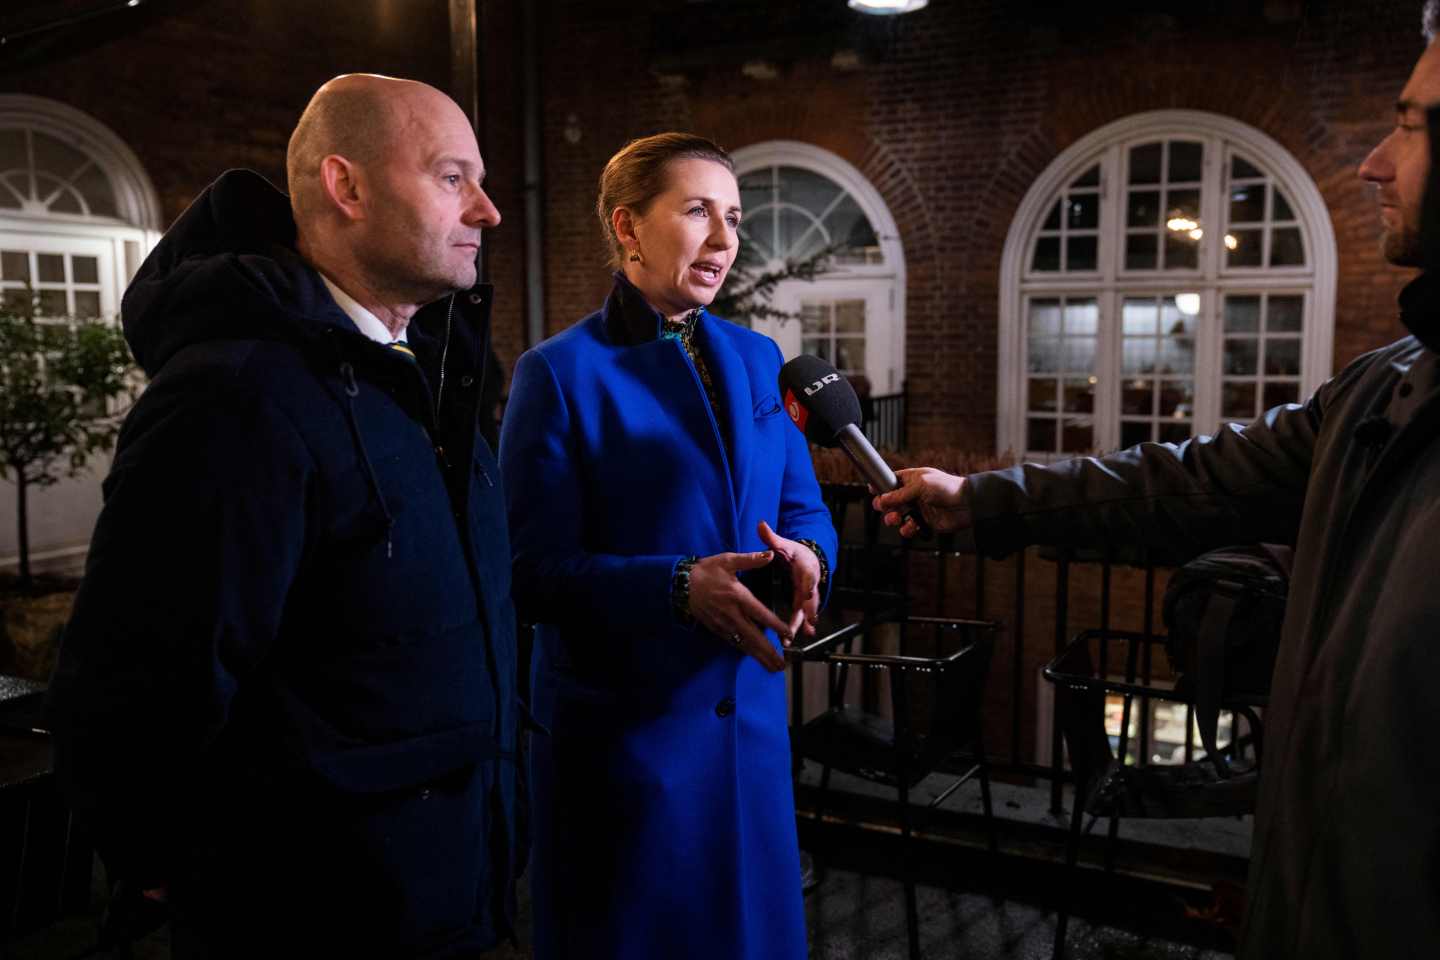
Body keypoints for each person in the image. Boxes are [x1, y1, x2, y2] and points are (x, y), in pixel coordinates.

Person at [874, 9, 1440, 958]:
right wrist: (981, 502)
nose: (1376, 163)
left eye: (1416, 125)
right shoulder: (1387, 386)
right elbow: (1191, 481)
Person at [46, 74, 522, 958]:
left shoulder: (418, 376)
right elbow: (137, 673)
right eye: (454, 177)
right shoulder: (237, 395)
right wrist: (173, 865)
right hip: (314, 910)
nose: (489, 211)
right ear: (347, 187)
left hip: (441, 886)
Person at [498, 132, 837, 960]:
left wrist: (810, 560)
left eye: (733, 217)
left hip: (749, 742)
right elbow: (529, 574)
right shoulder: (558, 375)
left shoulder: (762, 362)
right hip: (627, 747)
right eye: (696, 213)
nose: (724, 241)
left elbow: (808, 511)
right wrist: (679, 586)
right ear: (628, 226)